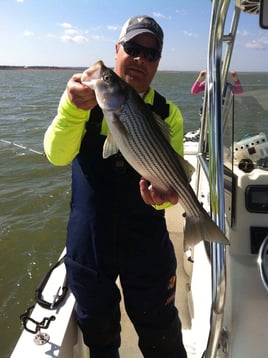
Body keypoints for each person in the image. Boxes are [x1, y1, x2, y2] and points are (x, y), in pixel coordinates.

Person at [44, 15, 187, 358]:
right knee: (100, 335)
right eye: (133, 48)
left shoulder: (169, 113)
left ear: (158, 63)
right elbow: (56, 155)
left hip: (146, 243)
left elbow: (171, 189)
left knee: (161, 334)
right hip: (90, 242)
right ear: (117, 49)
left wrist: (165, 200)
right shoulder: (84, 100)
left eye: (150, 54)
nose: (139, 59)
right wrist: (71, 108)